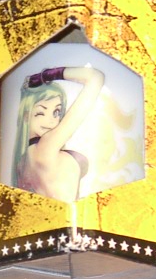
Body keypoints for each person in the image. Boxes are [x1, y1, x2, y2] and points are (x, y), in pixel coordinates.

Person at [11, 65, 105, 202]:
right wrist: (49, 75)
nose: (51, 120)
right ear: (26, 116)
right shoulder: (46, 147)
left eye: (56, 112)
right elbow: (95, 78)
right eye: (40, 112)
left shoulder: (22, 163)